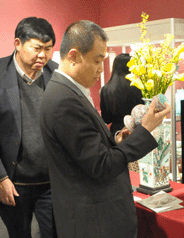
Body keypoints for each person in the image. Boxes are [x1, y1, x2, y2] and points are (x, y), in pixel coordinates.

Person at [39, 20, 170, 238]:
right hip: (94, 223)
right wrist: (144, 131)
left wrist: (118, 140)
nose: (101, 69)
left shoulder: (67, 92)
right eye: (97, 61)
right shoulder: (64, 100)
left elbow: (87, 153)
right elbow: (101, 166)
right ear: (73, 56)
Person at [0, 17, 57, 238]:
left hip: (51, 182)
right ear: (17, 44)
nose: (43, 55)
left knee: (54, 233)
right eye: (37, 48)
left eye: (48, 48)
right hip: (13, 183)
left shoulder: (57, 74)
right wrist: (1, 178)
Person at [100, 53, 144, 135]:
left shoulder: (106, 89)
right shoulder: (138, 86)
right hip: (136, 132)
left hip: (116, 133)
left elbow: (106, 119)